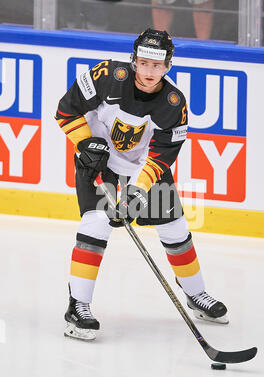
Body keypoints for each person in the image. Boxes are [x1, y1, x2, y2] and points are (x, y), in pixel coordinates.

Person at [55, 28, 228, 341]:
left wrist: (134, 195)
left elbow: (160, 158)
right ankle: (77, 306)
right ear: (134, 60)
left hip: (142, 167)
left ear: (168, 66)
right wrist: (85, 144)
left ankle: (196, 294)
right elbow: (66, 111)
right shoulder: (106, 75)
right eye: (145, 63)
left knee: (175, 228)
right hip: (98, 160)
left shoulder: (174, 103)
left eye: (158, 66)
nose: (150, 72)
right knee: (96, 224)